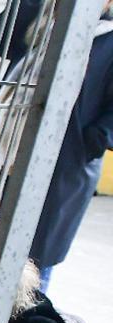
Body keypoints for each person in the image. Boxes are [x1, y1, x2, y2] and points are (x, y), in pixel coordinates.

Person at [28, 0, 113, 291]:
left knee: (36, 259)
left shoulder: (109, 36)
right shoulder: (43, 26)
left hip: (66, 160)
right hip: (9, 154)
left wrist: (87, 142)